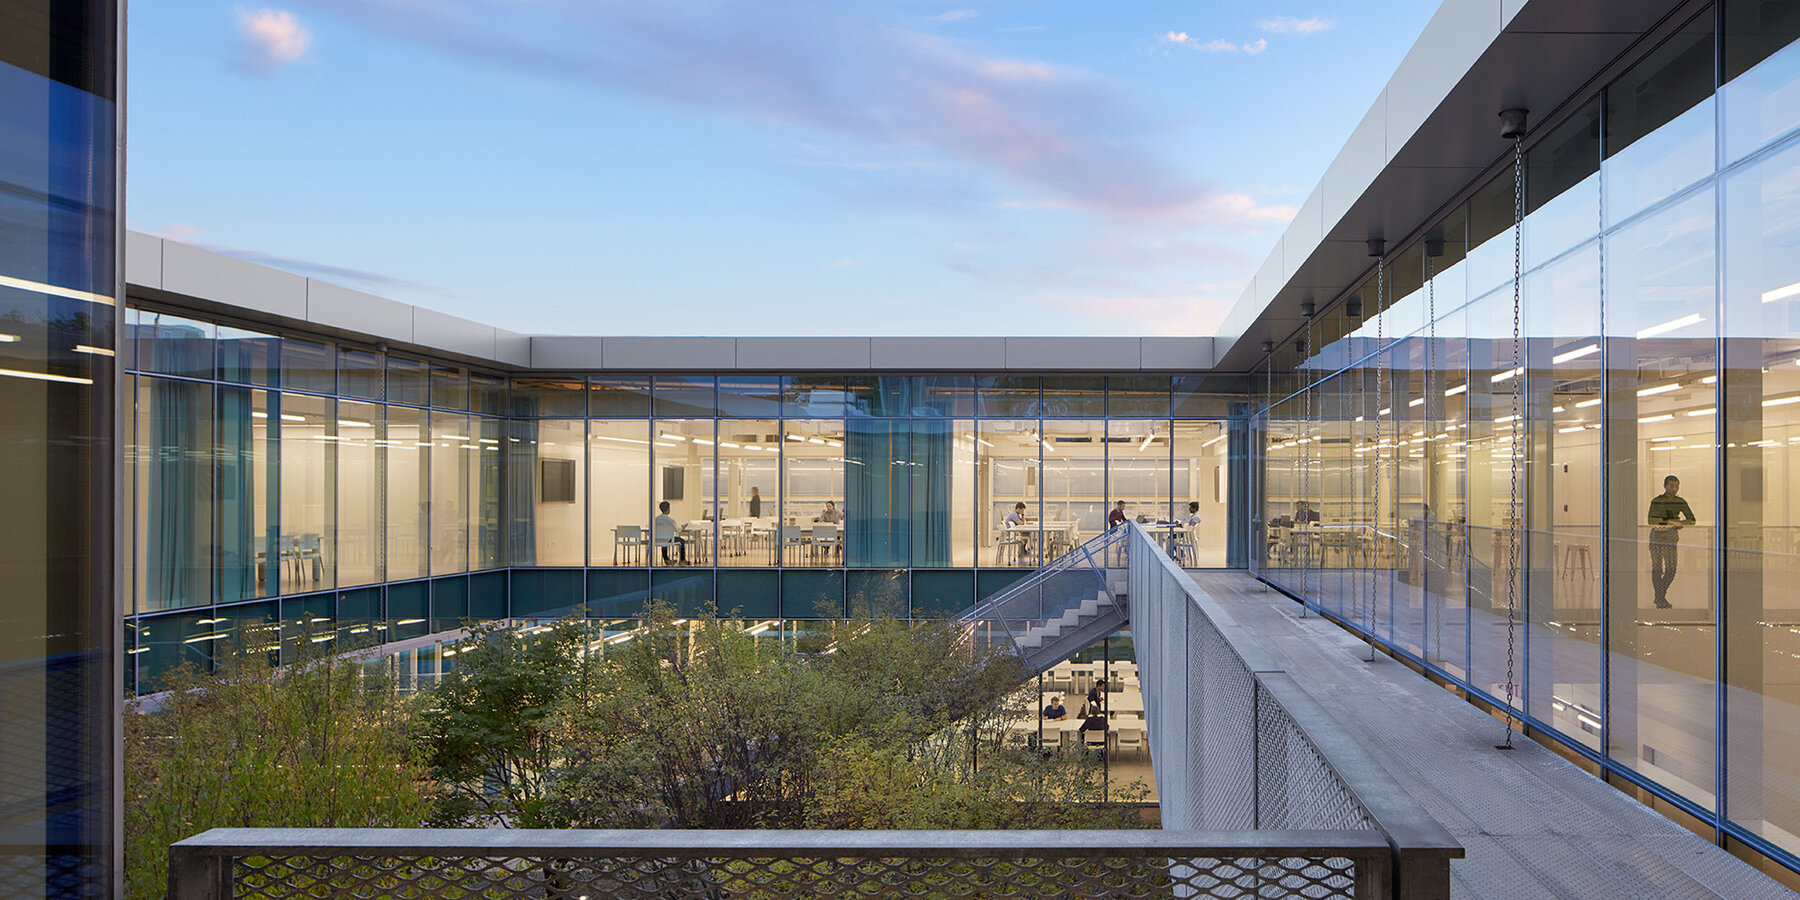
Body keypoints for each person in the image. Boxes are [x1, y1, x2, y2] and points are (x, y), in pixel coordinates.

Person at [1647, 474, 1695, 609]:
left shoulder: (1680, 501)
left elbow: (1691, 520)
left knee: (1671, 569)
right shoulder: (1656, 501)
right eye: (1671, 486)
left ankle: (1659, 596)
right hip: (1656, 537)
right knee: (1657, 569)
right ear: (1665, 486)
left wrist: (1677, 523)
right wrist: (1671, 522)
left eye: (1676, 486)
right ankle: (1660, 598)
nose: (1674, 489)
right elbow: (1651, 520)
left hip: (1671, 537)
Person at [654, 500, 687, 565]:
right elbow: (678, 530)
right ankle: (682, 560)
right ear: (668, 509)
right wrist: (683, 527)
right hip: (668, 539)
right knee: (682, 541)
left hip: (657, 539)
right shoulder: (670, 520)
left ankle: (666, 559)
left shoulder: (655, 519)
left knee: (664, 541)